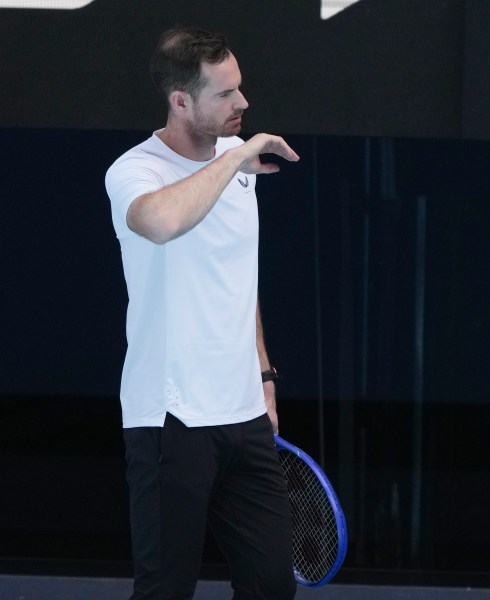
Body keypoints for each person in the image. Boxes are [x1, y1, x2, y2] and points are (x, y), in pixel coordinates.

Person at [105, 25, 300, 600]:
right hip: (169, 419)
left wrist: (263, 375)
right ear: (180, 100)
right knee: (166, 590)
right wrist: (238, 155)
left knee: (270, 588)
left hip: (244, 416)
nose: (242, 103)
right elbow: (161, 223)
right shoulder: (134, 171)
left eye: (240, 88)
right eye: (224, 94)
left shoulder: (238, 170)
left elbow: (238, 279)